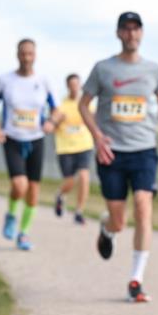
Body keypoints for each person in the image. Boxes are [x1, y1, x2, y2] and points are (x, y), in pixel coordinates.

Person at [78, 12, 158, 303]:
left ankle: (136, 279)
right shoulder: (103, 69)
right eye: (126, 29)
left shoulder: (153, 70)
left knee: (144, 208)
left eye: (136, 29)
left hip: (144, 149)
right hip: (112, 152)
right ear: (119, 33)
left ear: (142, 33)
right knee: (119, 221)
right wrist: (97, 136)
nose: (132, 34)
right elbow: (84, 104)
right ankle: (108, 229)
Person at [0, 38, 62, 251]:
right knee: (19, 185)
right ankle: (11, 214)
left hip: (36, 138)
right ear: (17, 55)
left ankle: (24, 233)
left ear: (35, 55)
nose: (27, 58)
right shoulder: (4, 81)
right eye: (23, 53)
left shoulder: (44, 81)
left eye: (30, 54)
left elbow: (56, 109)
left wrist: (51, 122)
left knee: (33, 190)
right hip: (12, 137)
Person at [53, 73, 95, 225]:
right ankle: (60, 195)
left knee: (84, 176)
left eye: (77, 85)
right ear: (67, 86)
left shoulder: (86, 103)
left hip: (84, 145)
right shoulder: (61, 105)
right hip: (65, 147)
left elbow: (94, 119)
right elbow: (53, 122)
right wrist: (55, 122)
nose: (74, 88)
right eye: (71, 85)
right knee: (69, 181)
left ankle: (79, 211)